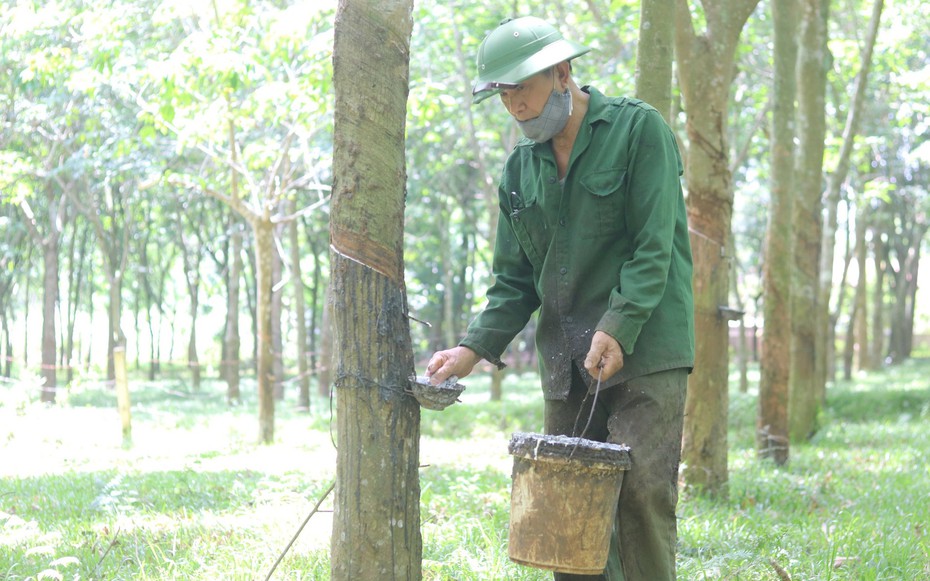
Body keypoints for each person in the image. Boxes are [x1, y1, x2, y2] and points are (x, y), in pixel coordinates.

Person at [425, 15, 694, 581]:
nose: (514, 104)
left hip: (647, 349)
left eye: (522, 87)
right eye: (502, 92)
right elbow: (515, 280)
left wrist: (617, 326)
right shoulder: (520, 171)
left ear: (563, 72)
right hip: (567, 360)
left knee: (641, 495)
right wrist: (470, 351)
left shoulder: (639, 131)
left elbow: (655, 248)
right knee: (566, 509)